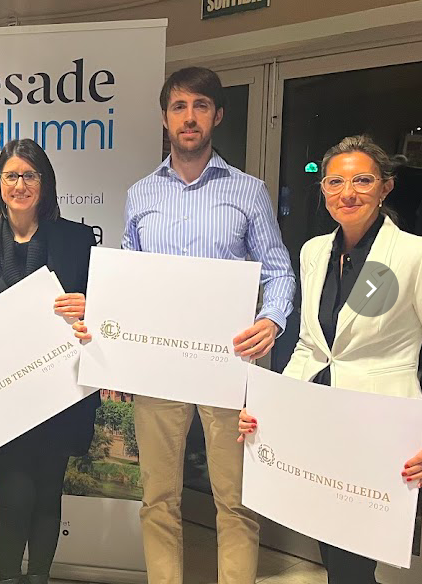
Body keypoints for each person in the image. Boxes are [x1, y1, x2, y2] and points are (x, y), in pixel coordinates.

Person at [121, 67, 296, 584]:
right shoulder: (140, 195)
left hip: (228, 366)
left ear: (217, 115)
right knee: (158, 498)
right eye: (179, 106)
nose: (189, 117)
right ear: (165, 118)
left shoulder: (249, 191)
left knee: (235, 501)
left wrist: (272, 318)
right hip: (158, 368)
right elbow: (127, 280)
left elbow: (279, 270)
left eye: (200, 105)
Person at [239, 135, 422, 584]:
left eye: (363, 181)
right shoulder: (314, 252)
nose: (348, 193)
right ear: (323, 190)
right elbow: (310, 344)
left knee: (358, 560)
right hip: (322, 420)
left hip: (383, 425)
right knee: (335, 553)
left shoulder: (413, 255)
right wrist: (271, 407)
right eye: (335, 182)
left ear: (386, 187)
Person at [0, 138, 99, 584]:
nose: (20, 184)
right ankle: (9, 578)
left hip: (60, 394)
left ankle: (39, 577)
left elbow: (104, 307)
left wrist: (89, 307)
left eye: (30, 175)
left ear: (45, 183)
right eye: (11, 175)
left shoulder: (77, 240)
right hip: (3, 399)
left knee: (48, 494)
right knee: (12, 497)